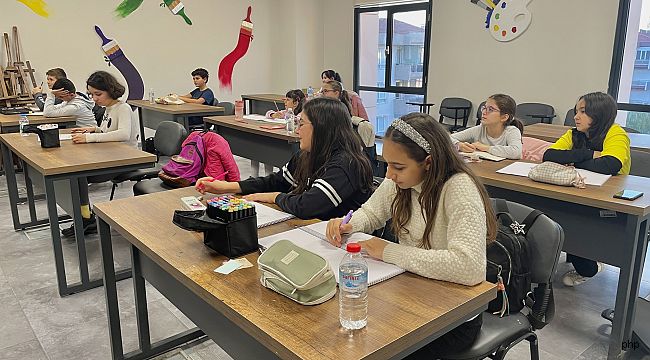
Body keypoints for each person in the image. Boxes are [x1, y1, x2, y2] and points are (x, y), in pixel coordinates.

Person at [325, 113, 497, 358]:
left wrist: (388, 251)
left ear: (428, 162)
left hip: (454, 317)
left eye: (398, 167)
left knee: (375, 345)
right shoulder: (399, 181)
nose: (389, 175)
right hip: (413, 290)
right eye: (387, 164)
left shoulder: (459, 188)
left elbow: (469, 267)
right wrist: (349, 225)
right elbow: (372, 212)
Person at [195, 97, 374, 220]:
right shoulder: (308, 155)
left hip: (341, 243)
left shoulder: (346, 163)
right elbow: (278, 181)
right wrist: (227, 187)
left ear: (322, 128)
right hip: (312, 230)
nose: (297, 130)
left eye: (301, 124)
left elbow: (308, 206)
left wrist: (273, 197)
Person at [543, 91, 630, 286]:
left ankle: (591, 265)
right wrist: (590, 154)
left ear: (599, 114)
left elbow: (610, 165)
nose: (576, 116)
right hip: (577, 191)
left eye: (583, 111)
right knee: (557, 215)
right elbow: (549, 155)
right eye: (576, 111)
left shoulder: (615, 133)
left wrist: (573, 160)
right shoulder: (574, 134)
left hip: (609, 198)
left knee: (578, 226)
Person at [61, 71, 138, 237]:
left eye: (98, 94)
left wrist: (90, 137)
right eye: (91, 94)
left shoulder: (122, 108)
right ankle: (85, 217)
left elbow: (123, 134)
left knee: (78, 175)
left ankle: (86, 218)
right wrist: (94, 129)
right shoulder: (108, 108)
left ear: (110, 90)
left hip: (127, 160)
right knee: (75, 174)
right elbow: (108, 130)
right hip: (112, 156)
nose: (94, 98)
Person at [450, 94, 523, 159]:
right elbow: (447, 138)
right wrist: (459, 145)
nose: (484, 112)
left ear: (504, 117)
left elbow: (516, 153)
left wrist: (486, 148)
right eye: (484, 108)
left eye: (490, 109)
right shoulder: (480, 129)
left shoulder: (512, 131)